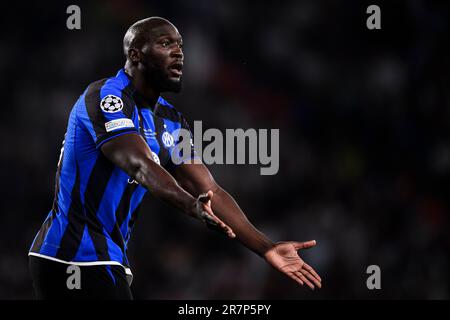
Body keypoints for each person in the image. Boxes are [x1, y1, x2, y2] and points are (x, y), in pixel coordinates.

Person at [28, 17, 322, 299]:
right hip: (72, 255)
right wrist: (190, 205)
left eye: (180, 45)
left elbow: (211, 191)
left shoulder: (171, 120)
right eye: (166, 43)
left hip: (106, 257)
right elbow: (140, 165)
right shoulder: (106, 97)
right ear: (135, 54)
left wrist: (266, 248)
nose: (179, 53)